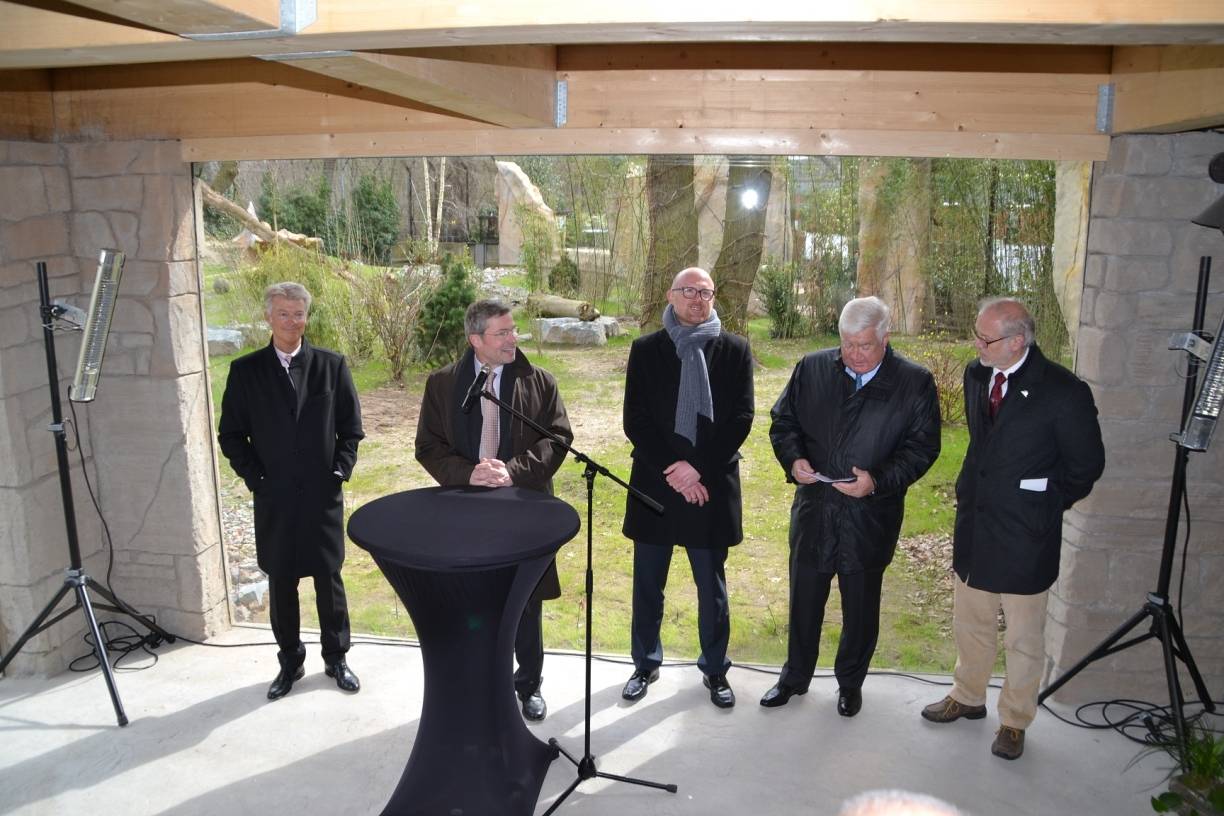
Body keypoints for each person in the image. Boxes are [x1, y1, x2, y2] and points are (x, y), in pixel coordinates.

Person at [921, 297, 1104, 760]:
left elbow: (1085, 467)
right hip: (977, 524)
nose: (976, 344)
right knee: (972, 621)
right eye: (977, 335)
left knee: (1023, 636)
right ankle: (968, 696)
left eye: (986, 338)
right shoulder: (976, 374)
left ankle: (1015, 720)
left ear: (1017, 341)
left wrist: (1041, 505)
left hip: (1026, 534)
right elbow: (984, 445)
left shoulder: (1064, 392)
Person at [761, 296, 940, 717]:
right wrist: (794, 460)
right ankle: (794, 677)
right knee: (804, 599)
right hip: (815, 509)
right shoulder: (813, 367)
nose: (855, 355)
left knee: (860, 607)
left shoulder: (913, 382)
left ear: (886, 337)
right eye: (847, 344)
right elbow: (784, 423)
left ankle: (850, 684)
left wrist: (876, 482)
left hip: (869, 516)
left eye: (865, 346)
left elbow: (922, 449)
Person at [414, 299, 572, 722]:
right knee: (474, 603)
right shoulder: (443, 384)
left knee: (526, 600)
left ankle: (529, 684)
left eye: (513, 330)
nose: (512, 339)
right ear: (475, 340)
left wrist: (513, 472)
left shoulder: (539, 381)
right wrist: (468, 474)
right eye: (501, 333)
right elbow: (428, 447)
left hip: (523, 507)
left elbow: (558, 438)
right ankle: (481, 683)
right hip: (466, 510)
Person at [218, 281, 364, 701]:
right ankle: (290, 662)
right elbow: (231, 435)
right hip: (275, 500)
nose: (292, 321)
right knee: (281, 583)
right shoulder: (245, 372)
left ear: (306, 316)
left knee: (328, 580)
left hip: (322, 497)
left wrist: (339, 471)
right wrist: (257, 480)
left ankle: (337, 658)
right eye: (283, 313)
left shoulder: (331, 366)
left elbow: (350, 429)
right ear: (268, 317)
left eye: (299, 313)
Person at [620, 267, 754, 709]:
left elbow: (741, 419)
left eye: (707, 292)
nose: (698, 299)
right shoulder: (645, 350)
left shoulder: (735, 350)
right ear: (670, 294)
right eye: (689, 291)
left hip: (709, 485)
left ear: (715, 298)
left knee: (710, 585)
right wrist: (675, 469)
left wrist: (696, 469)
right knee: (647, 582)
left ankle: (715, 669)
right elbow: (635, 420)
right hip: (657, 485)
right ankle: (645, 663)